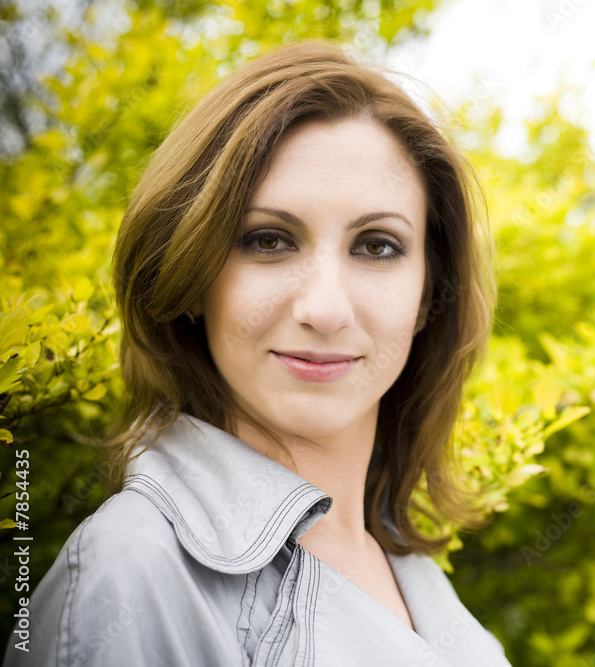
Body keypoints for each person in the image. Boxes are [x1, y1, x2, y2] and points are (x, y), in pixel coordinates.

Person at [4, 41, 510, 666]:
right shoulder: (131, 570)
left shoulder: (420, 581)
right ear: (192, 276)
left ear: (430, 292)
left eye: (377, 245)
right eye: (269, 240)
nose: (325, 310)